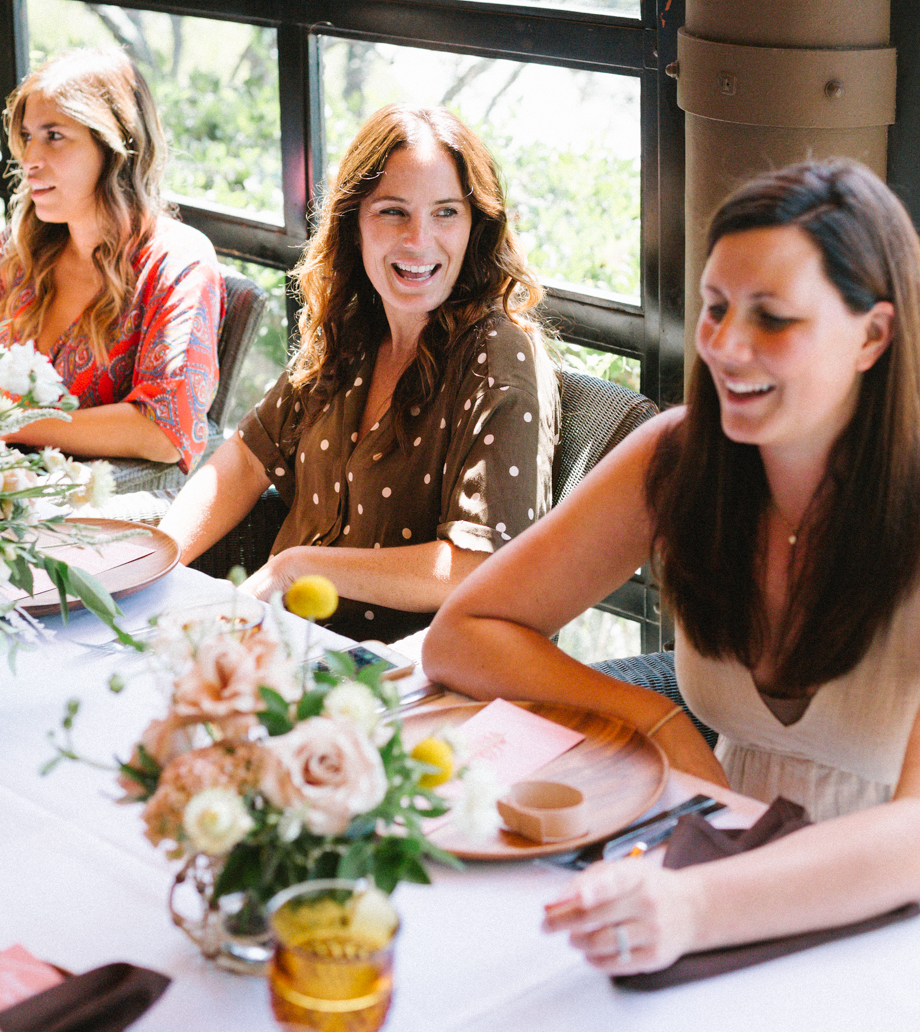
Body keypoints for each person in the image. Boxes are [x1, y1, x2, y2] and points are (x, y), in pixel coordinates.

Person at [424, 158, 920, 975]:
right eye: (716, 308)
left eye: (773, 319)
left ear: (873, 336)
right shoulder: (680, 456)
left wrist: (694, 907)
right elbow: (464, 633)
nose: (726, 347)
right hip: (719, 849)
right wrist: (658, 721)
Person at [160, 103, 559, 643]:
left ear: (475, 227)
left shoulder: (498, 357)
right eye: (393, 212)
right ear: (354, 225)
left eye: (446, 212)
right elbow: (247, 458)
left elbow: (479, 564)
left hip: (397, 671)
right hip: (282, 639)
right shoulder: (353, 329)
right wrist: (158, 558)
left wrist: (296, 568)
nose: (418, 239)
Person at [0, 48, 224, 472]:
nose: (29, 161)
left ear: (114, 146)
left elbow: (165, 431)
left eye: (54, 136)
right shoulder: (20, 249)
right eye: (27, 136)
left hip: (93, 503)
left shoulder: (176, 263)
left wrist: (16, 425)